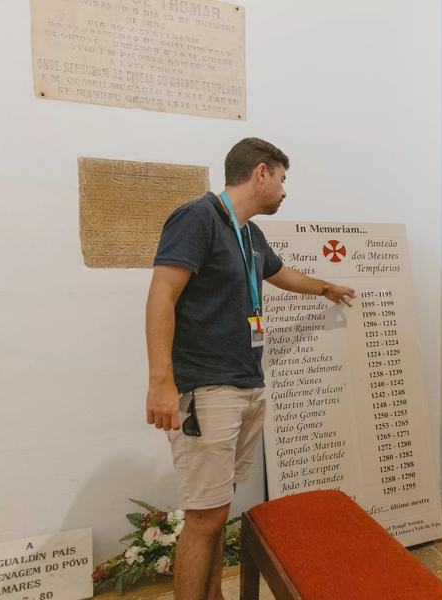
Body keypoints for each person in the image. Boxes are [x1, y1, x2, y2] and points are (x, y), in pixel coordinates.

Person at [144, 137, 356, 600]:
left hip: (245, 383)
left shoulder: (251, 234)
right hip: (207, 387)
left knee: (217, 510)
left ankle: (215, 595)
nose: (284, 190)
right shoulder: (198, 217)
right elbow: (162, 293)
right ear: (261, 172)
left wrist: (326, 288)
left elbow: (281, 274)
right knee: (203, 517)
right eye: (282, 179)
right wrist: (160, 382)